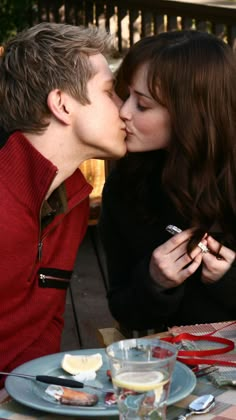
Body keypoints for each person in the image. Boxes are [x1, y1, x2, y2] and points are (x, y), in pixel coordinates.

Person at [0, 22, 126, 384]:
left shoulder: (72, 202)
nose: (123, 109)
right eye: (109, 92)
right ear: (63, 104)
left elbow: (44, 323)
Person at [99, 30, 236, 337]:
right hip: (173, 367)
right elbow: (126, 313)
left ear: (191, 114)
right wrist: (154, 282)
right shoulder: (126, 185)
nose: (123, 112)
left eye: (142, 105)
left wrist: (228, 280)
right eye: (126, 95)